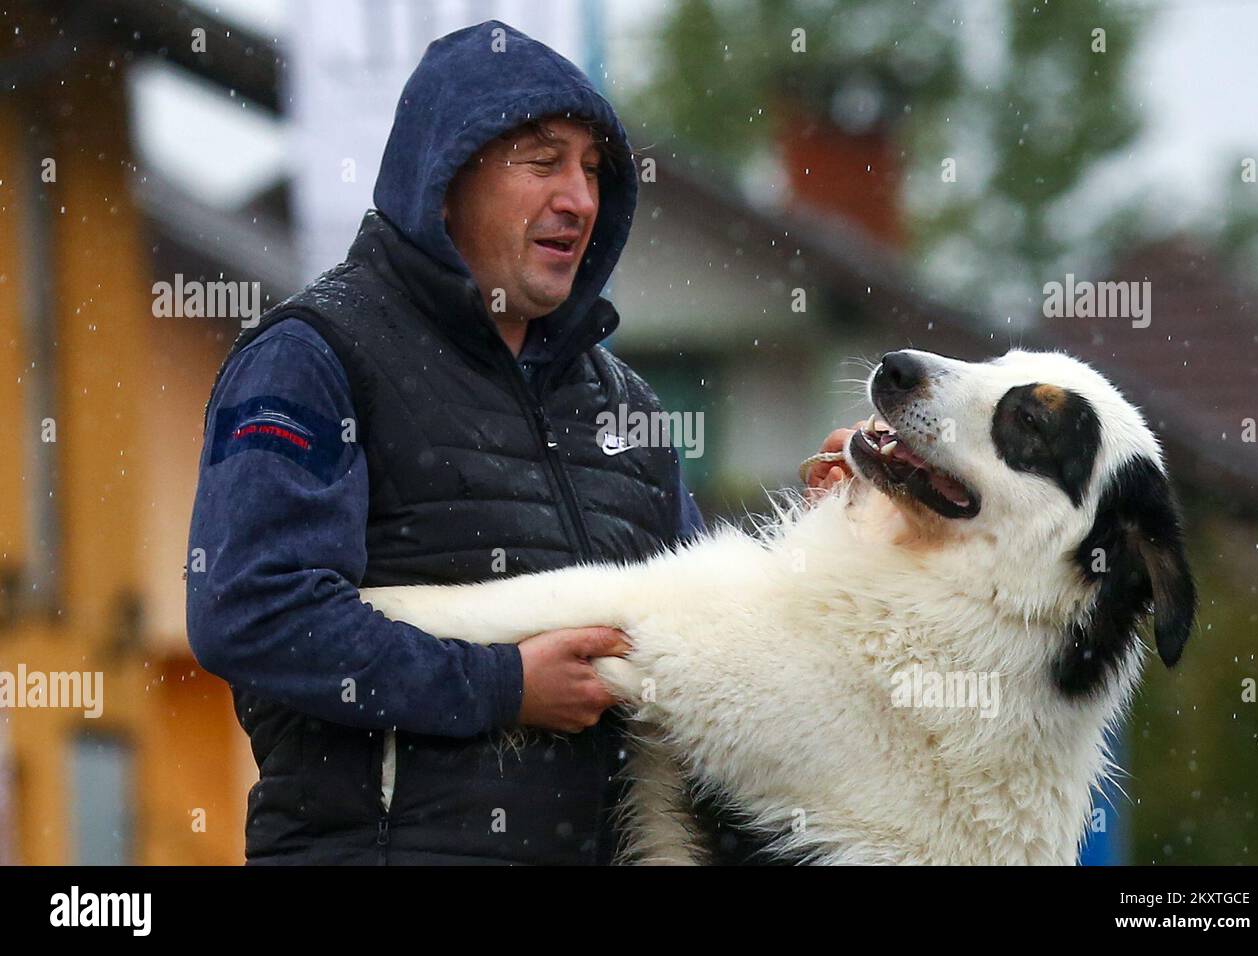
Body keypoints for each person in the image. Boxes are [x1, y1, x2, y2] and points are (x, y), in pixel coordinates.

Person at [186, 19, 855, 865]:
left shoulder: (627, 407)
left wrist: (835, 538)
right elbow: (250, 612)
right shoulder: (311, 360)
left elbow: (705, 642)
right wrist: (503, 688)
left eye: (593, 170)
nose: (579, 197)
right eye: (542, 162)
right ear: (445, 177)